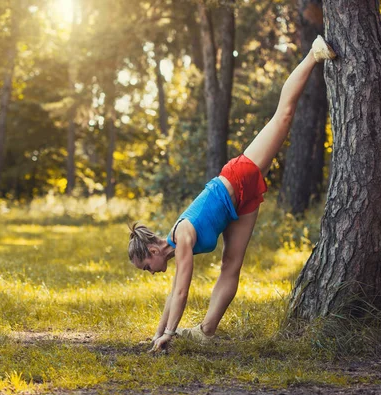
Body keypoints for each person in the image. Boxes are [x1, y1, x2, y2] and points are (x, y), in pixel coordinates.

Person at [127, 36, 337, 353]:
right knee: (231, 267)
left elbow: (182, 291)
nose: (150, 273)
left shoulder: (181, 236)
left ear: (152, 253)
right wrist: (157, 335)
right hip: (240, 204)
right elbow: (173, 294)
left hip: (236, 178)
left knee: (284, 116)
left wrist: (169, 333)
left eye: (145, 267)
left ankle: (313, 54)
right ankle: (206, 330)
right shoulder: (173, 246)